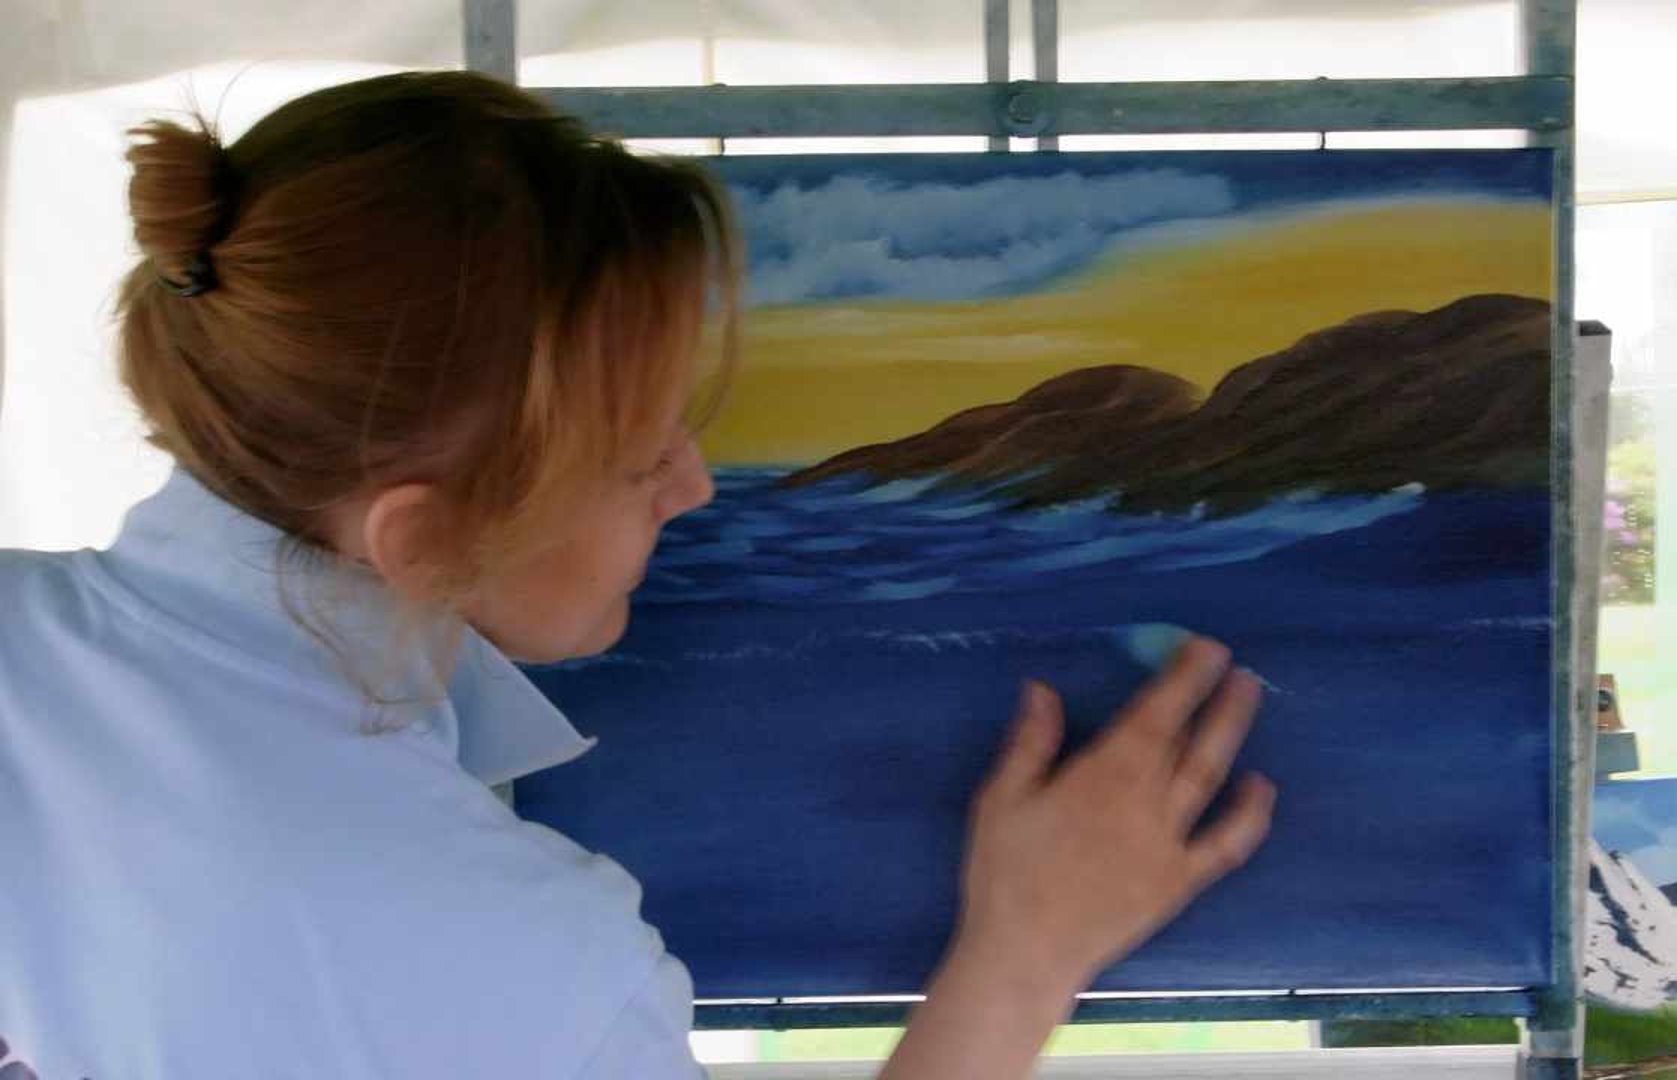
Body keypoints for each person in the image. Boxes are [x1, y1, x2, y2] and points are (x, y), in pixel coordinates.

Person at [0, 71, 1276, 1079]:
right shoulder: (509, 965)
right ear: (421, 541)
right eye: (631, 460)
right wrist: (1029, 951)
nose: (696, 484)